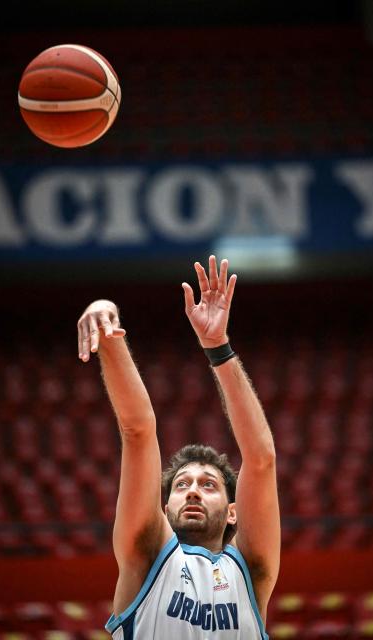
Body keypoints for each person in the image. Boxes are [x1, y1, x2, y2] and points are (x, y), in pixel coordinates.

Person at [77, 255, 280, 639]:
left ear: (234, 512)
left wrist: (218, 346)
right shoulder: (148, 553)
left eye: (208, 485)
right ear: (164, 507)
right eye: (182, 485)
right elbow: (138, 430)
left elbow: (261, 459)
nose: (192, 492)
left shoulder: (251, 571)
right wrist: (104, 315)